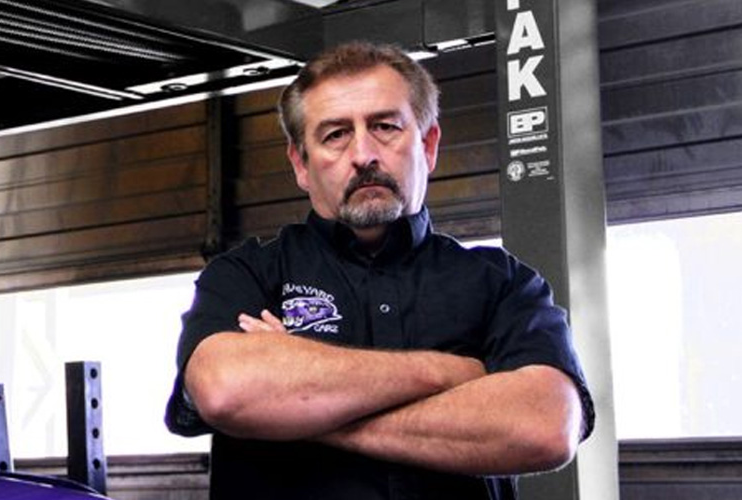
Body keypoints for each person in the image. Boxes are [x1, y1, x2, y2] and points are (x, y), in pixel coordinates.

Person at [164, 41, 595, 499]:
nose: (363, 154)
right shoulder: (246, 274)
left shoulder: (504, 284)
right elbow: (226, 390)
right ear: (300, 164)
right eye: (334, 135)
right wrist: (446, 372)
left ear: (428, 145)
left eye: (385, 126)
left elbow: (544, 427)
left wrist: (295, 408)